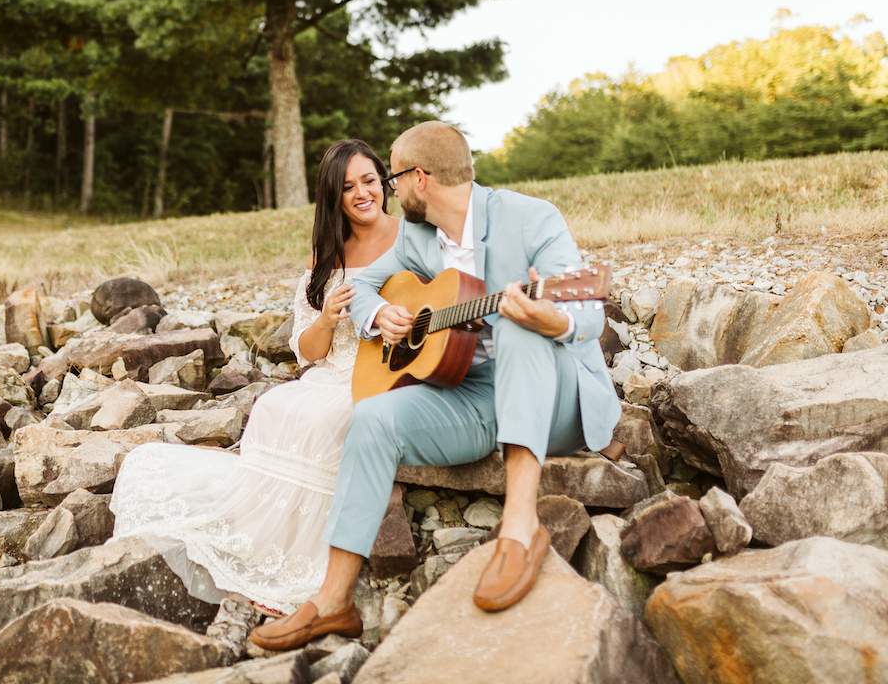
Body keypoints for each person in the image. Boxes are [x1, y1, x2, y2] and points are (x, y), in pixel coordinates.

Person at [250, 121, 621, 650]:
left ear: (418, 179)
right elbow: (361, 286)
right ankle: (333, 601)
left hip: (552, 401)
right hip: (472, 398)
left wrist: (549, 319)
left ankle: (520, 528)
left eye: (392, 178)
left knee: (518, 326)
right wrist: (379, 312)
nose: (388, 191)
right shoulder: (421, 238)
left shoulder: (531, 216)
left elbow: (585, 312)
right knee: (373, 417)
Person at [108, 139, 400, 615]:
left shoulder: (411, 239)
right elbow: (308, 353)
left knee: (326, 421)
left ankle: (304, 562)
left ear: (384, 182)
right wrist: (326, 318)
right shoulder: (325, 255)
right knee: (274, 406)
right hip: (332, 370)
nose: (363, 193)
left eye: (370, 180)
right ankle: (257, 541)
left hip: (382, 373)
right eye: (348, 187)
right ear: (334, 196)